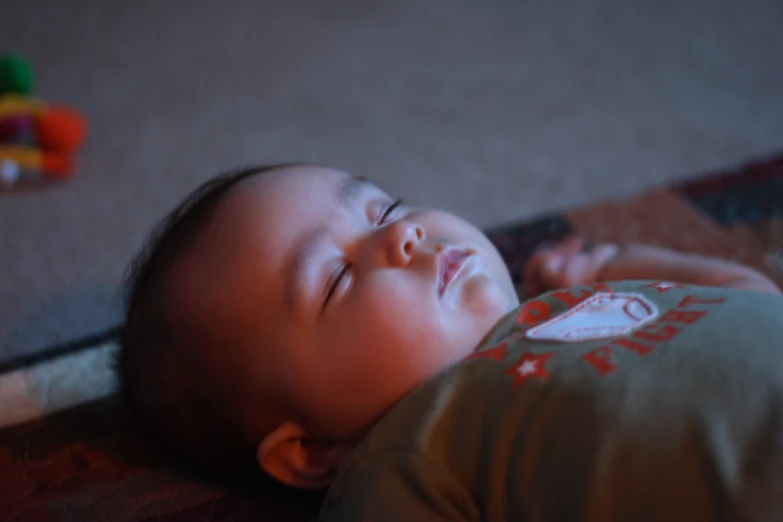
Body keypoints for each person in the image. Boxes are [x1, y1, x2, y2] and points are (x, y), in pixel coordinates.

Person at [116, 163, 783, 521]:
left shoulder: (573, 308)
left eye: (384, 209)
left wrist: (615, 267)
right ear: (312, 450)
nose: (399, 236)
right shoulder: (412, 451)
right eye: (339, 277)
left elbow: (745, 295)